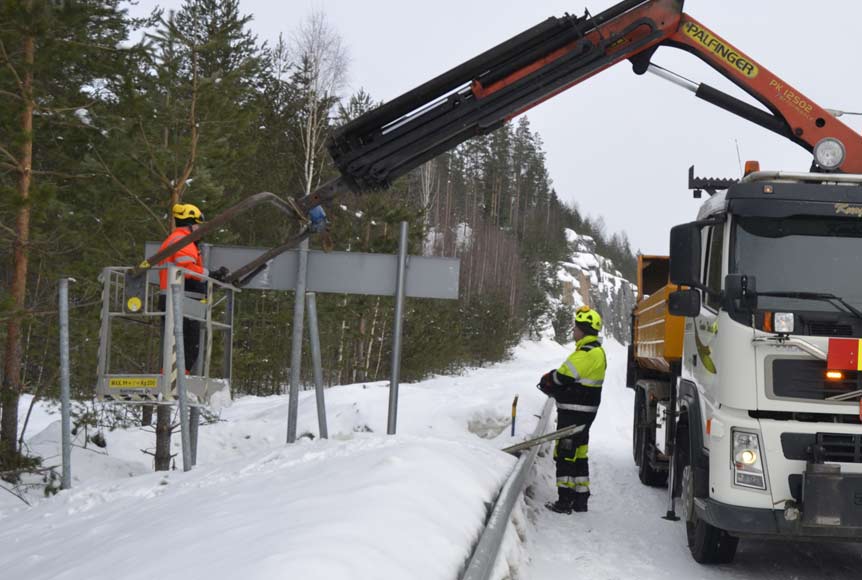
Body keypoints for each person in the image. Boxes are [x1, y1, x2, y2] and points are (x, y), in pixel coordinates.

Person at [538, 306, 607, 514]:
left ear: (583, 330)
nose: (573, 331)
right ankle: (580, 498)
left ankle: (564, 500)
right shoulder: (595, 351)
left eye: (576, 327)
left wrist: (547, 380)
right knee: (579, 452)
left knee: (565, 453)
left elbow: (562, 377)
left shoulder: (586, 353)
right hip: (584, 413)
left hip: (574, 412)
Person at [157, 203, 228, 372]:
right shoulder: (184, 241)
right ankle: (175, 385)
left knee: (177, 345)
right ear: (189, 224)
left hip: (176, 296)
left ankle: (173, 383)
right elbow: (187, 269)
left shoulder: (176, 239)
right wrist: (209, 274)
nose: (199, 229)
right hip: (180, 298)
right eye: (198, 224)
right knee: (187, 346)